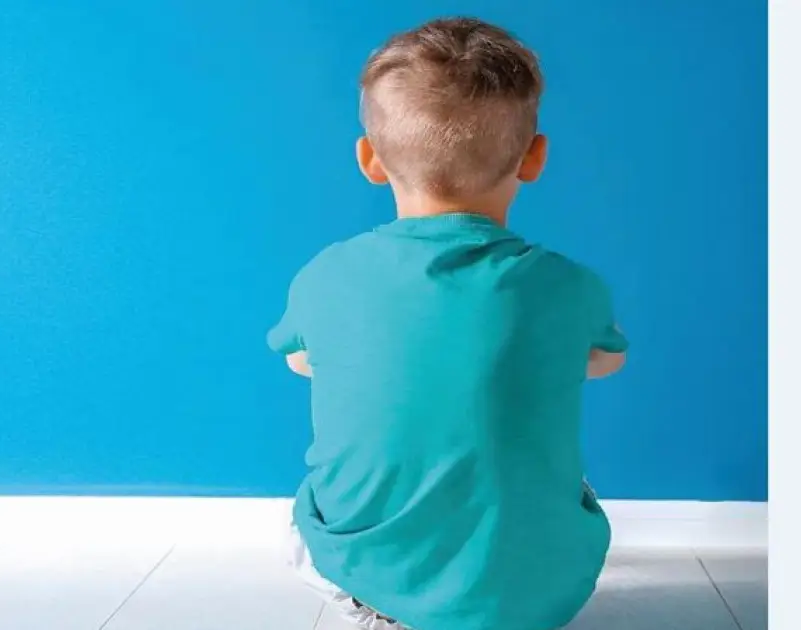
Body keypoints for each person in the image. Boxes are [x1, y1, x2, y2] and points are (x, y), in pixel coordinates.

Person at [267, 17, 629, 630]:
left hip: (370, 576)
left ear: (369, 159)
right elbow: (607, 361)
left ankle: (388, 608)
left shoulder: (326, 275)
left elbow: (302, 362)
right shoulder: (569, 285)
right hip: (542, 598)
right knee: (547, 469)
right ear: (535, 157)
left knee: (303, 512)